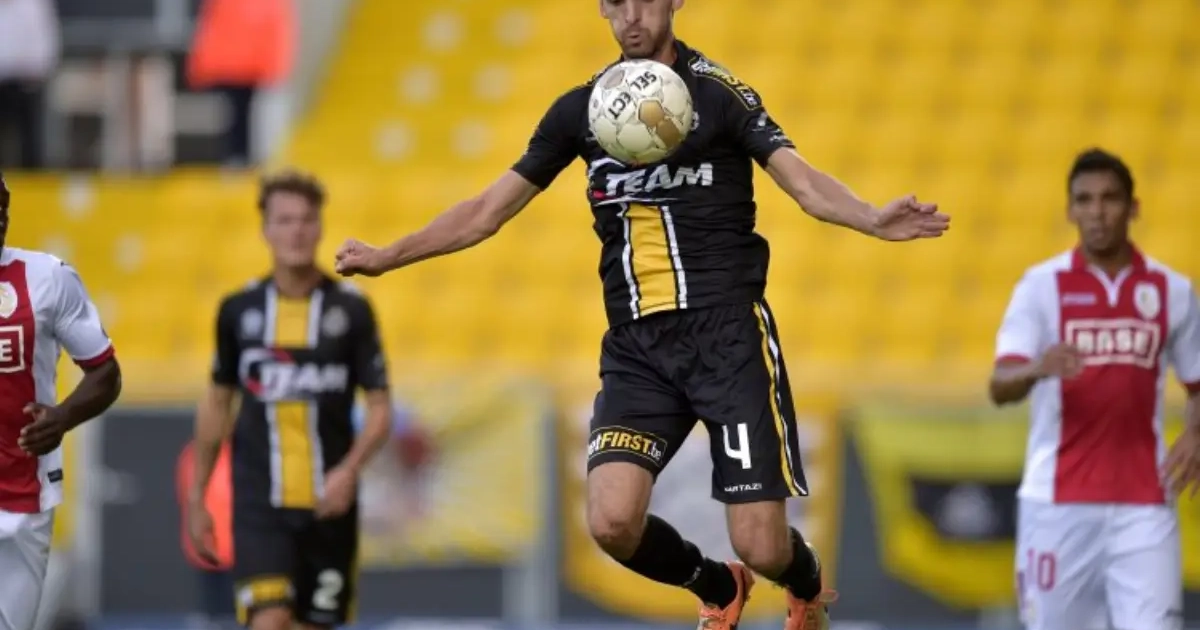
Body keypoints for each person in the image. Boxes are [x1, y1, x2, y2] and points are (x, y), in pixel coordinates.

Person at [334, 2, 949, 628]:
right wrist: (389, 255)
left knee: (762, 545)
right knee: (611, 522)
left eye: (645, 0)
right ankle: (717, 586)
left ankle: (805, 580)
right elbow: (485, 211)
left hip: (727, 340)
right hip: (638, 352)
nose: (631, 16)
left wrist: (871, 218)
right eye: (617, 2)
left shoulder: (719, 95)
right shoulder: (582, 112)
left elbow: (805, 184)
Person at [989, 149, 1200, 630]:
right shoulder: (1040, 287)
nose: (1097, 212)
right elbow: (1000, 385)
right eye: (1085, 200)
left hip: (1145, 505)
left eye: (1110, 199)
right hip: (1057, 504)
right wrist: (1037, 368)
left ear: (1133, 207)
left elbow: (1197, 381)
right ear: (1070, 210)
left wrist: (1195, 432)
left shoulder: (1172, 291)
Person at [187, 170, 393, 630]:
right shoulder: (238, 311)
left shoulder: (351, 310)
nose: (296, 231)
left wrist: (349, 471)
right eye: (284, 220)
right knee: (270, 620)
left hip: (330, 505)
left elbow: (381, 408)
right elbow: (217, 403)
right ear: (265, 229)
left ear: (320, 227)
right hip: (260, 505)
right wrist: (198, 496)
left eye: (306, 220)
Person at [0, 173, 122, 630]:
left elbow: (106, 373)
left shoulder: (48, 278)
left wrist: (62, 417)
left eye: (1, 205)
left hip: (22, 496)